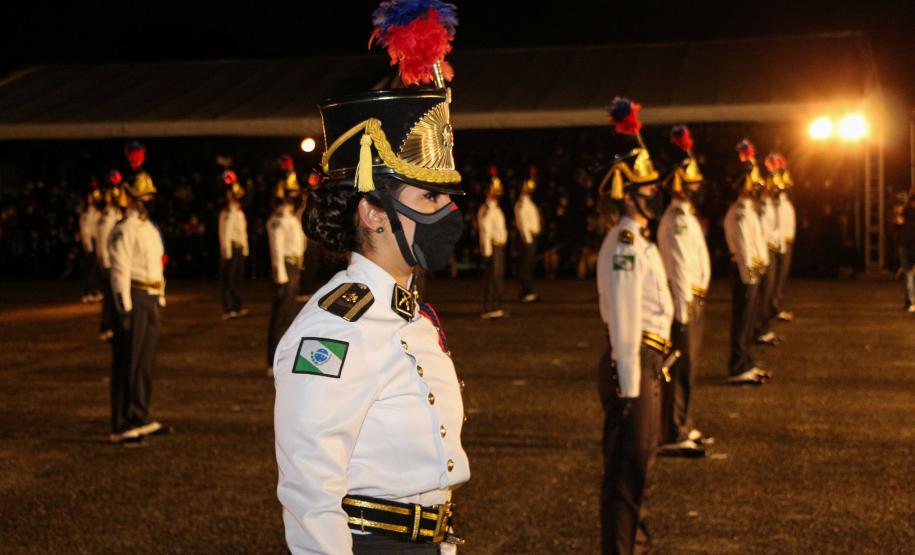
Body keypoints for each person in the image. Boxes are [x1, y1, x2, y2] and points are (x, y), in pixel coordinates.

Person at [274, 2, 469, 552]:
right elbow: (310, 494)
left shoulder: (414, 315)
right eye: (430, 197)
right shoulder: (337, 328)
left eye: (449, 198)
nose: (447, 213)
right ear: (372, 211)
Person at [596, 97, 672, 554]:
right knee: (626, 476)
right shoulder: (625, 242)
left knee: (641, 469)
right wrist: (629, 388)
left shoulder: (638, 239)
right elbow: (625, 319)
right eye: (646, 189)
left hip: (647, 361)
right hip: (633, 362)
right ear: (629, 195)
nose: (654, 194)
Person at [108, 141, 169, 443]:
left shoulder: (148, 228)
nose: (149, 200)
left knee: (144, 362)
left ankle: (140, 414)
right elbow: (119, 271)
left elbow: (157, 265)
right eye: (144, 195)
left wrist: (160, 297)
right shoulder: (124, 228)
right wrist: (125, 309)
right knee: (127, 363)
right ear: (133, 198)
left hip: (150, 298)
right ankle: (121, 423)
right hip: (134, 298)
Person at [657, 125, 712, 457]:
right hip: (684, 302)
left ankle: (684, 423)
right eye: (693, 185)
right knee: (679, 371)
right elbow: (678, 268)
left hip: (693, 300)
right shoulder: (676, 219)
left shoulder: (686, 217)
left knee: (688, 370)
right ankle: (673, 430)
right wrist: (682, 311)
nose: (698, 190)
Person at [723, 140, 771, 386]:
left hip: (751, 270)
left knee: (749, 321)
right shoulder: (739, 212)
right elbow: (743, 248)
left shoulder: (748, 210)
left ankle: (746, 362)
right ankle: (737, 366)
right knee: (741, 322)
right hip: (744, 272)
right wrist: (751, 273)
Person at [266, 164, 306, 378]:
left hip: (293, 267)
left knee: (290, 317)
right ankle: (272, 361)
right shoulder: (278, 220)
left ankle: (284, 359)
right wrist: (280, 276)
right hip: (285, 269)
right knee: (280, 318)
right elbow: (277, 251)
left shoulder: (291, 218)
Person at [753, 154, 785, 345]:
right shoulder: (759, 206)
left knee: (768, 293)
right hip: (763, 252)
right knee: (763, 296)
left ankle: (764, 328)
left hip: (770, 250)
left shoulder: (768, 205)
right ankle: (760, 329)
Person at [95, 170, 126, 342]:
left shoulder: (111, 215)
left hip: (112, 262)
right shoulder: (108, 218)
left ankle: (112, 325)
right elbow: (105, 242)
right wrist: (107, 264)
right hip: (109, 263)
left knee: (114, 297)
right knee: (110, 298)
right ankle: (107, 327)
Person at [217, 170, 249, 320]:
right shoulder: (227, 213)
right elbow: (225, 234)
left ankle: (237, 305)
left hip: (239, 249)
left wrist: (245, 248)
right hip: (231, 249)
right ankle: (228, 307)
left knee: (237, 279)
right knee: (229, 279)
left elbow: (243, 233)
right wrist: (226, 252)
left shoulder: (239, 213)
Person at [478, 166, 508, 319]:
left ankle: (495, 305)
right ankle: (490, 307)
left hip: (498, 247)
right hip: (493, 248)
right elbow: (486, 232)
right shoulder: (487, 209)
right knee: (492, 278)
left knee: (497, 277)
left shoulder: (495, 208)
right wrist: (488, 252)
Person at [771, 154, 796, 322]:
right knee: (775, 279)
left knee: (780, 279)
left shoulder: (785, 201)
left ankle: (775, 305)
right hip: (779, 243)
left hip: (786, 241)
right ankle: (773, 307)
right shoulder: (776, 203)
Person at [514, 166, 542, 302]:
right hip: (527, 238)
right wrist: (528, 240)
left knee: (529, 265)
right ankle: (526, 291)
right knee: (526, 265)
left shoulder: (528, 202)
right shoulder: (521, 204)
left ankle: (527, 290)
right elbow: (522, 224)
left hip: (531, 237)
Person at [79, 181, 103, 303]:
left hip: (97, 241)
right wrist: (88, 244)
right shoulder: (85, 214)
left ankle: (95, 291)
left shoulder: (98, 213)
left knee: (96, 268)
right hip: (90, 242)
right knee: (90, 269)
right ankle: (88, 292)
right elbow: (84, 231)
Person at [898, 190, 915, 311]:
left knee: (908, 275)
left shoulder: (904, 211)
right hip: (909, 245)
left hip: (904, 244)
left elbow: (897, 225)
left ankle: (910, 301)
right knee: (909, 275)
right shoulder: (906, 211)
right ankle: (911, 301)